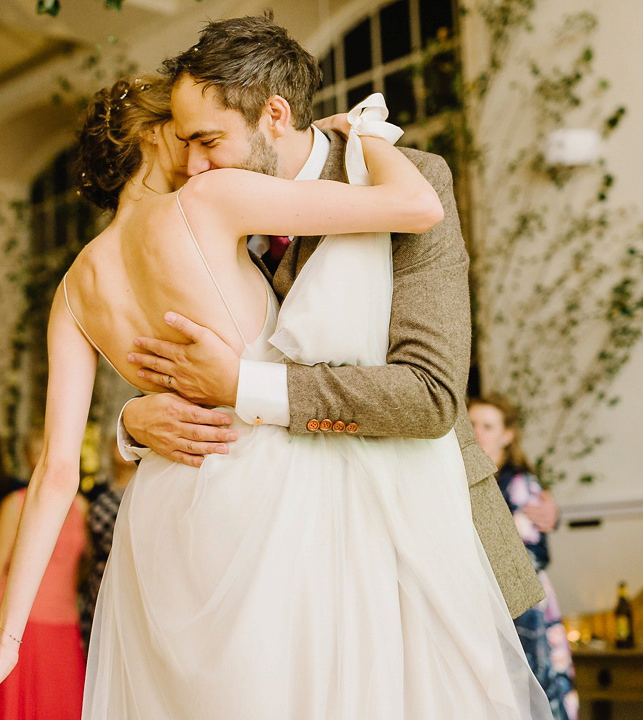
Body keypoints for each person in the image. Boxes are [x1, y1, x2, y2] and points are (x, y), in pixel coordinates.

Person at [0, 65, 550, 719]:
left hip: (165, 515)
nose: (203, 152)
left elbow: (56, 472)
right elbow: (411, 205)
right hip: (275, 485)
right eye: (189, 134)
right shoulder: (212, 202)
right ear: (153, 138)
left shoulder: (73, 288)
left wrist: (4, 642)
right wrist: (363, 131)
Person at [119, 13, 544, 623]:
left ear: (274, 115)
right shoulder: (202, 216)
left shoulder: (407, 182)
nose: (193, 168)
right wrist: (136, 419)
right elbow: (179, 361)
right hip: (286, 573)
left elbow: (430, 396)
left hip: (432, 552)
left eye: (208, 141)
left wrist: (242, 385)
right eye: (185, 145)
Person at [469, 396, 579, 720]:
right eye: (472, 424)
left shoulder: (518, 484)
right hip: (484, 603)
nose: (478, 433)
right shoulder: (461, 480)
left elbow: (533, 554)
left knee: (531, 687)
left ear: (507, 435)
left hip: (521, 603)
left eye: (488, 426)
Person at [0, 429, 87, 720]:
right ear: (30, 460)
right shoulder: (14, 504)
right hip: (20, 623)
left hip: (65, 621)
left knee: (62, 706)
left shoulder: (81, 507)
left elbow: (81, 569)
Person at [80, 438, 135, 646]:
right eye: (121, 443)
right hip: (101, 574)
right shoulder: (96, 492)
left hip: (135, 575)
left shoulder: (151, 489)